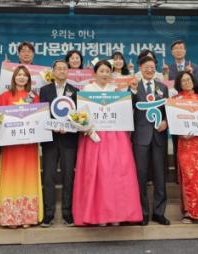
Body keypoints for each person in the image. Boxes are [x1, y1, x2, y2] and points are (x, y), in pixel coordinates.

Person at [73, 60, 142, 226]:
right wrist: (86, 127)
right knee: (96, 175)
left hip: (115, 136)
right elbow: (80, 114)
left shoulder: (116, 90)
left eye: (107, 71)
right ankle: (97, 215)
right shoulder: (87, 90)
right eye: (101, 71)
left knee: (116, 174)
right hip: (94, 136)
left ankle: (117, 214)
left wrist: (132, 90)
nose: (104, 74)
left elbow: (127, 108)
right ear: (95, 73)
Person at [0, 66, 42, 228]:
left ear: (29, 79)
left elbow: (39, 118)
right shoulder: (4, 96)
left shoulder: (33, 96)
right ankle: (10, 217)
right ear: (14, 78)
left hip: (29, 145)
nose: (21, 77)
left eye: (24, 75)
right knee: (11, 177)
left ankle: (27, 216)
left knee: (28, 177)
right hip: (11, 146)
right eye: (19, 75)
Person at [131, 55, 169, 225]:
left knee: (160, 175)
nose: (149, 70)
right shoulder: (134, 86)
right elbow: (128, 107)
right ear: (140, 68)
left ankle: (159, 212)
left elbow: (168, 110)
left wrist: (166, 122)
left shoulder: (162, 87)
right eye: (146, 67)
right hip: (140, 136)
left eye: (152, 67)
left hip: (159, 136)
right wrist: (132, 92)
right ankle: (143, 212)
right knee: (140, 175)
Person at [172, 71, 198, 223]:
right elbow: (174, 121)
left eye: (189, 79)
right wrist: (181, 133)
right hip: (185, 142)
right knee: (188, 177)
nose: (187, 82)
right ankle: (189, 212)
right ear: (179, 83)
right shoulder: (175, 100)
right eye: (183, 80)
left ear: (193, 81)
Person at [39, 60, 78, 227]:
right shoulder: (44, 90)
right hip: (50, 139)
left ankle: (67, 213)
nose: (62, 71)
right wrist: (53, 126)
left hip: (69, 140)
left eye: (64, 69)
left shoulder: (75, 91)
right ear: (53, 71)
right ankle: (48, 214)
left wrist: (67, 126)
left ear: (68, 72)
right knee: (48, 177)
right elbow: (42, 114)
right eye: (59, 68)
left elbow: (77, 116)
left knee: (68, 177)